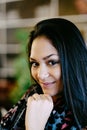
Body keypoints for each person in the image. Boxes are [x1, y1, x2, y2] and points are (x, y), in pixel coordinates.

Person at [0, 18, 87, 130]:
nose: (41, 75)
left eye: (52, 62)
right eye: (35, 63)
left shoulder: (83, 119)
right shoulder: (33, 95)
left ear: (73, 61)